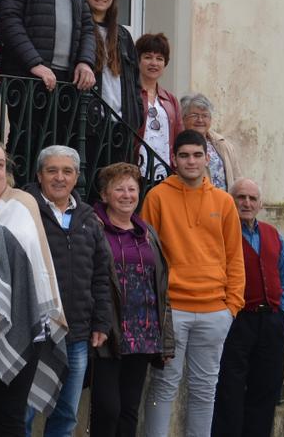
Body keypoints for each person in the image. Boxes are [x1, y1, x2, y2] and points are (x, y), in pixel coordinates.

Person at [139, 130, 245, 437]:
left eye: (197, 155)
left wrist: (232, 306)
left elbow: (234, 257)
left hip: (215, 312)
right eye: (184, 155)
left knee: (204, 389)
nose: (191, 161)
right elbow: (147, 256)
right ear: (174, 159)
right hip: (172, 311)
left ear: (207, 157)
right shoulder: (157, 197)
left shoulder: (224, 202)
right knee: (163, 386)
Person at [0, 138, 67, 437]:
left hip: (24, 321)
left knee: (12, 419)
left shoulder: (24, 202)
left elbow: (42, 261)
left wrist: (54, 312)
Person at [21, 145, 114, 436]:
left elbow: (100, 275)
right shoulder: (24, 210)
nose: (59, 178)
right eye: (52, 170)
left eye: (67, 171)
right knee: (22, 413)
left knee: (66, 415)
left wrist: (101, 322)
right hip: (33, 333)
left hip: (76, 334)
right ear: (39, 175)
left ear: (76, 178)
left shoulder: (88, 217)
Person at [0, 0, 96, 170]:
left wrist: (85, 62)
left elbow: (87, 26)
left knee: (59, 150)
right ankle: (19, 199)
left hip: (65, 82)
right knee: (25, 145)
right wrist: (35, 64)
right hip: (28, 78)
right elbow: (9, 21)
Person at [89, 163, 175, 437]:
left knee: (129, 408)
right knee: (107, 407)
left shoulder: (147, 233)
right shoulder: (94, 227)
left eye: (132, 189)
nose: (126, 195)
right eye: (119, 189)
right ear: (104, 195)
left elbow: (161, 287)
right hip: (108, 331)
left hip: (143, 331)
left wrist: (167, 338)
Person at [212, 178, 284, 437]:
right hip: (237, 321)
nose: (246, 203)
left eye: (252, 198)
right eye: (240, 197)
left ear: (260, 204)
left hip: (271, 321)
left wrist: (282, 310)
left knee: (266, 387)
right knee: (230, 389)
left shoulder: (273, 234)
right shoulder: (222, 232)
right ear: (230, 200)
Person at [84, 0, 143, 154]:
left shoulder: (123, 36)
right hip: (90, 125)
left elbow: (134, 82)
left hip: (121, 127)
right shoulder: (80, 30)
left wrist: (137, 115)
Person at [135, 33, 181, 177]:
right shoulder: (129, 94)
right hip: (135, 171)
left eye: (159, 58)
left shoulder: (170, 99)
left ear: (165, 63)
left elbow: (179, 135)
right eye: (148, 57)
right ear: (138, 60)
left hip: (165, 172)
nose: (154, 63)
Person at [179, 93, 241, 192]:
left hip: (224, 204)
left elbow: (237, 177)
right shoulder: (178, 144)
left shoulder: (223, 144)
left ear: (210, 119)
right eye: (195, 115)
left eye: (205, 116)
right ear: (183, 118)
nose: (200, 120)